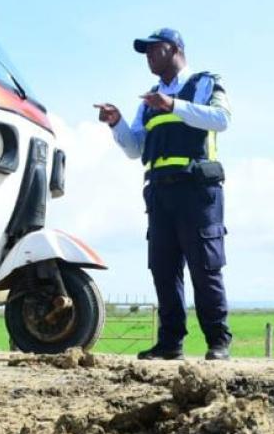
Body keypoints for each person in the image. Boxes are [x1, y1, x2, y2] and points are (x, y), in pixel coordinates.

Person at [95, 28, 233, 361]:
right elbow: (135, 148)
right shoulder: (149, 99)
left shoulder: (204, 83)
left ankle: (218, 342)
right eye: (145, 52)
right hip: (159, 193)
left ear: (174, 49)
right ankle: (170, 344)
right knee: (164, 269)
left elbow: (222, 119)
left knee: (205, 267)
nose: (148, 57)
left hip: (197, 191)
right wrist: (117, 124)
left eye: (153, 50)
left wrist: (174, 105)